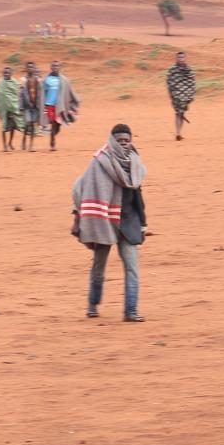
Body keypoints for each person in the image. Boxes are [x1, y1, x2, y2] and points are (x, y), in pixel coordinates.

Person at [71, 124, 147, 322]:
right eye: (120, 140)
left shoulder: (135, 163)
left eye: (127, 140)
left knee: (132, 267)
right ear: (113, 141)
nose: (124, 144)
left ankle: (130, 311)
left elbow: (137, 194)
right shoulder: (100, 161)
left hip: (128, 222)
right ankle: (92, 304)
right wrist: (78, 214)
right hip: (103, 220)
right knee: (99, 266)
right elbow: (80, 187)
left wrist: (143, 223)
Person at [43, 60, 80, 151]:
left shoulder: (65, 80)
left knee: (58, 126)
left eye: (57, 66)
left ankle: (51, 136)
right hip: (50, 105)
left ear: (60, 67)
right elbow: (42, 92)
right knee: (53, 124)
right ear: (50, 67)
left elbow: (69, 92)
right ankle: (52, 143)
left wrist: (76, 100)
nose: (55, 68)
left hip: (60, 106)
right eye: (53, 66)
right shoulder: (46, 79)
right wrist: (42, 103)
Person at [165, 51, 197, 141]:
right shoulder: (172, 70)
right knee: (179, 113)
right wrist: (173, 93)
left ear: (185, 58)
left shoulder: (189, 70)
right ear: (176, 59)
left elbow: (192, 82)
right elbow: (169, 82)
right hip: (176, 96)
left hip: (186, 96)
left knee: (180, 113)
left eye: (182, 57)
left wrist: (190, 94)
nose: (180, 59)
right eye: (179, 58)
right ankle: (178, 133)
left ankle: (178, 133)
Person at [0, 66, 24, 152]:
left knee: (12, 126)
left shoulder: (14, 82)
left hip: (13, 107)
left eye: (7, 73)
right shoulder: (0, 83)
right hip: (3, 109)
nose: (6, 74)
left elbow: (17, 94)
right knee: (3, 127)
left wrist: (14, 105)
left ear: (11, 74)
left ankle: (10, 143)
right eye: (4, 73)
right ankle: (4, 146)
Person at [18, 61, 44, 151]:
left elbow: (40, 94)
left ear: (34, 69)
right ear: (26, 69)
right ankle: (24, 139)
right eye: (28, 67)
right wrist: (20, 106)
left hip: (35, 106)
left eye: (32, 67)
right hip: (26, 106)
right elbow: (20, 94)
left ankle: (31, 145)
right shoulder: (23, 80)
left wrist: (40, 106)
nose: (30, 69)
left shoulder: (38, 80)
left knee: (32, 124)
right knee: (27, 123)